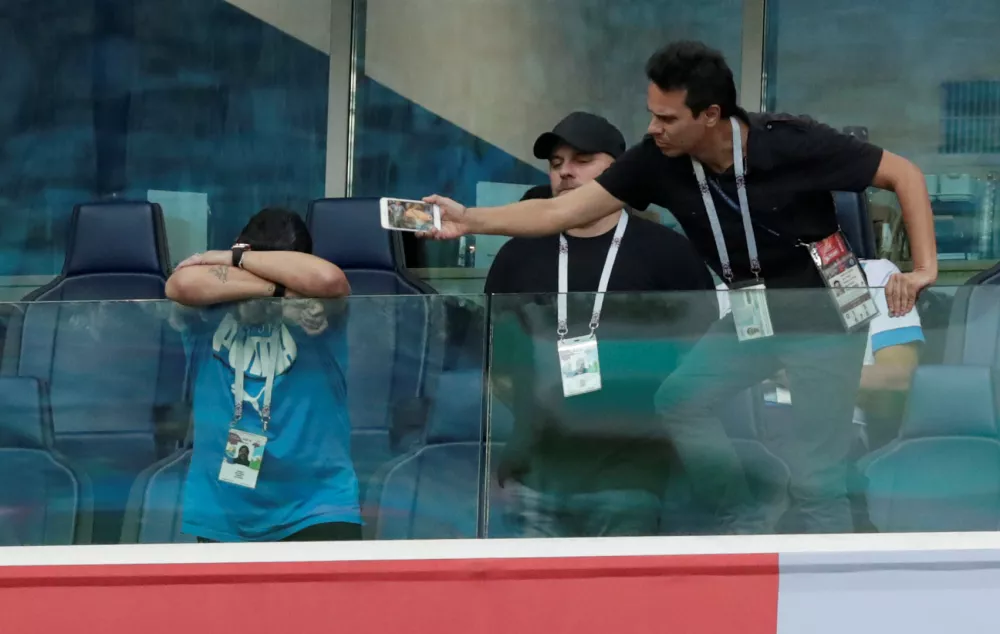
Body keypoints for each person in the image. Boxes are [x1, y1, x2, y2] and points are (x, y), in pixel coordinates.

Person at [424, 41, 937, 534]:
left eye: (667, 118)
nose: (653, 128)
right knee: (682, 400)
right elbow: (561, 210)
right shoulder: (658, 159)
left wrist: (923, 269)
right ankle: (741, 514)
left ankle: (833, 592)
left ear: (710, 114)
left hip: (823, 311)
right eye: (652, 113)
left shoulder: (791, 141)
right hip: (754, 309)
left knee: (815, 476)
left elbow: (904, 175)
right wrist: (469, 220)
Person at [486, 112, 717, 537]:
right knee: (538, 602)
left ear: (618, 170)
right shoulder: (518, 255)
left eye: (582, 159)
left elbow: (703, 359)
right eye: (556, 163)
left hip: (633, 472)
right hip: (539, 472)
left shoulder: (669, 254)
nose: (566, 172)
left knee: (619, 603)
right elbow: (498, 366)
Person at [166, 207, 361, 543]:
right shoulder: (208, 310)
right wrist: (278, 293)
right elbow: (180, 283)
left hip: (316, 506)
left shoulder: (318, 309)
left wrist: (236, 264)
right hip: (223, 509)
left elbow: (329, 280)